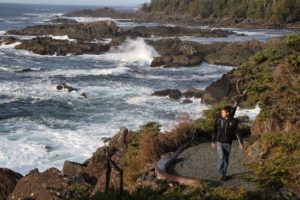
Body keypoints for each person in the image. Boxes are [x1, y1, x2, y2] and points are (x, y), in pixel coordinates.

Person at [211, 106, 244, 181]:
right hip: (219, 141)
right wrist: (213, 142)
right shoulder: (218, 120)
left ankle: (224, 174)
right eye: (221, 112)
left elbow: (237, 132)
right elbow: (214, 131)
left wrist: (240, 143)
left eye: (223, 112)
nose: (222, 113)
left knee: (226, 159)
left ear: (228, 113)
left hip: (228, 142)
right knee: (221, 157)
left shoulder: (234, 121)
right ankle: (220, 174)